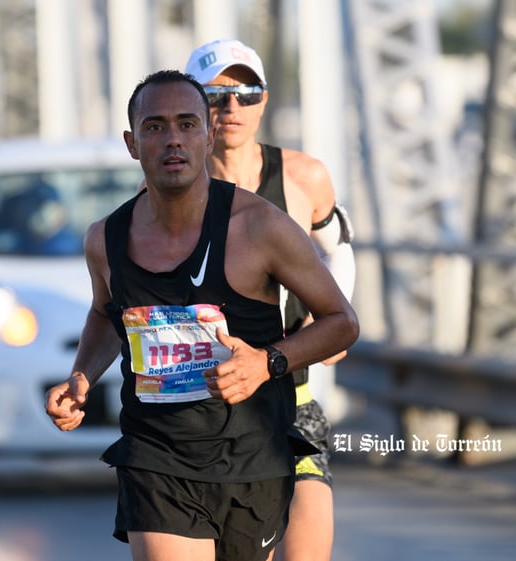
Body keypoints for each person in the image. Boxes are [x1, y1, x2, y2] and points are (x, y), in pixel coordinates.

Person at [45, 69, 359, 561]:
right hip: (157, 455)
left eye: (187, 124)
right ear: (132, 143)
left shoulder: (259, 227)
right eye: (155, 126)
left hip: (252, 455)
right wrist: (81, 377)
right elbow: (107, 314)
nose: (173, 139)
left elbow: (342, 321)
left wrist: (267, 362)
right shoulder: (104, 238)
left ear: (208, 134)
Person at [185, 39, 357, 561]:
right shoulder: (175, 186)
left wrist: (332, 321)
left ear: (263, 100)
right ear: (193, 104)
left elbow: (339, 248)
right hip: (203, 411)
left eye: (247, 92)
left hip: (291, 401)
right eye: (216, 94)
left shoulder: (304, 176)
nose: (232, 107)